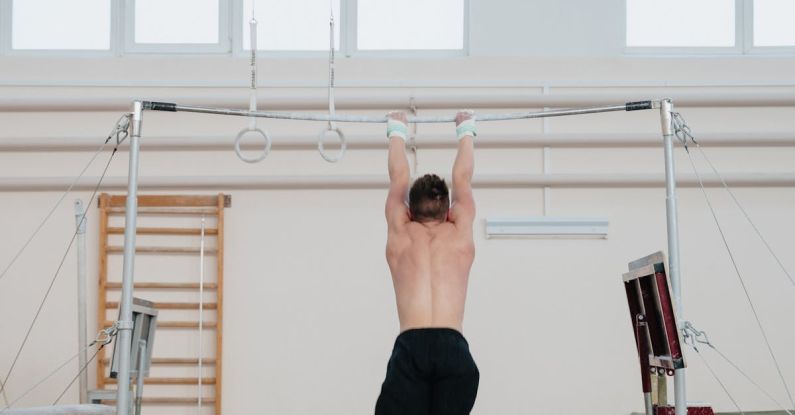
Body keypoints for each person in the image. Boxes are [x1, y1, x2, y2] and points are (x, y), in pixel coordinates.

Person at [375, 110, 479, 414]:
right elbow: (462, 178)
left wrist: (397, 130)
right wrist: (466, 131)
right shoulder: (459, 234)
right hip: (454, 351)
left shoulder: (401, 235)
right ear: (448, 211)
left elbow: (399, 179)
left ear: (409, 209)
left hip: (411, 350)